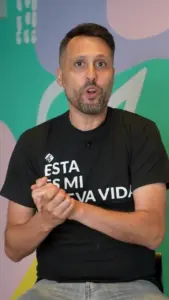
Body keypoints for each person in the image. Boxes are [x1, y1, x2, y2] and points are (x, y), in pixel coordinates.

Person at [1, 23, 169, 300]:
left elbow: (152, 232)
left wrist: (74, 209)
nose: (91, 75)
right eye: (79, 64)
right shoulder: (33, 143)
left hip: (133, 287)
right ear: (60, 76)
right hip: (52, 289)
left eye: (101, 64)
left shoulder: (141, 133)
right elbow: (13, 248)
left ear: (113, 73)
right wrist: (46, 218)